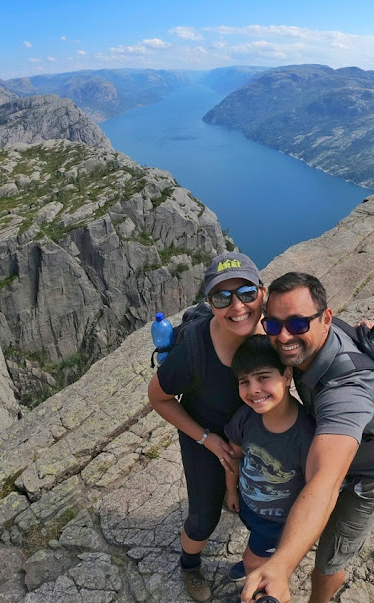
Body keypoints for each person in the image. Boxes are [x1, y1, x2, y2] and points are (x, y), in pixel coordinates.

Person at [242, 272, 374, 603]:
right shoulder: (310, 338)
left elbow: (324, 482)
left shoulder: (347, 390)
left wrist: (281, 567)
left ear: (326, 318)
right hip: (336, 442)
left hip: (370, 475)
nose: (284, 335)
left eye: (297, 324)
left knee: (328, 562)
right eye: (273, 325)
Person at [147, 251, 267, 602]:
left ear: (263, 292)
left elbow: (318, 331)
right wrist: (206, 439)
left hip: (256, 435)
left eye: (246, 293)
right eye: (221, 297)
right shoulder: (194, 350)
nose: (237, 306)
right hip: (206, 435)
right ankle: (189, 565)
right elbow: (159, 398)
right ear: (209, 304)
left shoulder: (276, 332)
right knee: (204, 517)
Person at [223, 335, 316, 589]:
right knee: (256, 549)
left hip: (278, 523)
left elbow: (315, 491)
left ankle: (253, 570)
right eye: (245, 381)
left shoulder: (306, 435)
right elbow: (235, 456)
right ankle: (255, 558)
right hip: (249, 505)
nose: (253, 389)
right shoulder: (245, 418)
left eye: (263, 377)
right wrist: (232, 491)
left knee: (255, 562)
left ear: (287, 376)